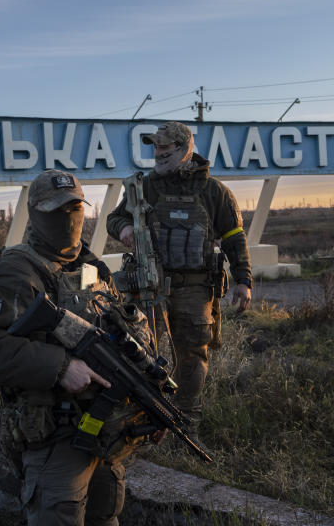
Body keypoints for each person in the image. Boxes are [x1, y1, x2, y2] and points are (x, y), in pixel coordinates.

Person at [0, 170, 154, 526]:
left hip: (101, 434)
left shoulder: (91, 266)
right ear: (35, 213)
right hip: (55, 438)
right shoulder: (16, 272)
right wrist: (61, 367)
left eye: (75, 208)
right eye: (57, 210)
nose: (69, 218)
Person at [106, 121, 252, 456]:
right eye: (154, 148)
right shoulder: (143, 187)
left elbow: (234, 238)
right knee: (142, 355)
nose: (157, 154)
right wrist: (125, 226)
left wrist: (243, 280)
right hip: (148, 286)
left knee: (192, 357)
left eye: (165, 148)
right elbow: (114, 219)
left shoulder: (214, 192)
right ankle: (141, 427)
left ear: (185, 149)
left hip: (195, 289)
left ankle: (187, 430)